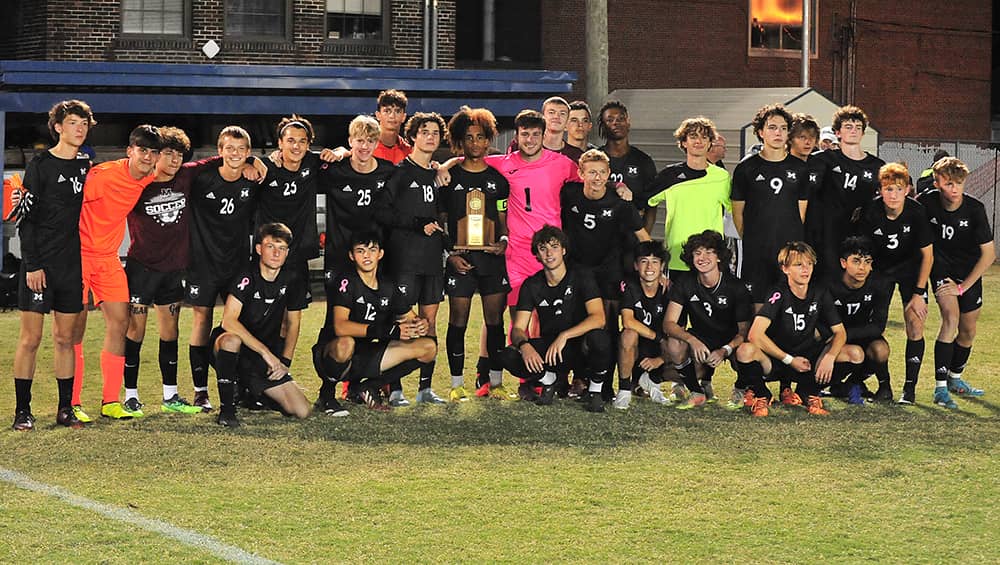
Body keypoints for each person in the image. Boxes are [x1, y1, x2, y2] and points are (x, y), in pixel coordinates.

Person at [123, 127, 258, 415]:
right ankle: (130, 395)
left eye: (179, 155)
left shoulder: (187, 175)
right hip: (141, 268)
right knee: (136, 330)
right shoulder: (137, 183)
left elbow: (220, 159)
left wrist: (253, 161)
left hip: (173, 269)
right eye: (168, 154)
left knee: (170, 331)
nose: (174, 160)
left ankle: (170, 395)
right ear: (156, 155)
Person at [10, 100, 94, 430]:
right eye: (73, 122)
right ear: (58, 127)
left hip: (71, 267)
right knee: (30, 340)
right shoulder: (41, 165)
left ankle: (64, 409)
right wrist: (32, 265)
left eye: (84, 124)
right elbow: (25, 221)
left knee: (65, 339)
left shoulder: (88, 167)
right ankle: (22, 411)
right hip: (39, 266)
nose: (79, 128)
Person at [75, 124, 161, 420]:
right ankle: (72, 402)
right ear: (129, 151)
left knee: (120, 321)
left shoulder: (149, 176)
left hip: (108, 258)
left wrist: (254, 161)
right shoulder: (102, 176)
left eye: (153, 152)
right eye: (142, 150)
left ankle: (110, 401)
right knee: (76, 327)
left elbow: (187, 168)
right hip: (79, 256)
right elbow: (69, 205)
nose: (148, 157)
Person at [312, 231, 437, 413]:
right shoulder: (346, 282)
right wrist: (390, 331)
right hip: (332, 353)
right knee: (346, 343)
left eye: (372, 250)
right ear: (352, 256)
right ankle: (326, 394)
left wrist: (420, 323)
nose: (367, 255)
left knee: (428, 347)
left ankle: (368, 387)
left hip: (365, 355)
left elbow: (409, 316)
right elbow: (341, 326)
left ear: (380, 254)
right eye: (360, 251)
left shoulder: (387, 285)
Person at [733, 241, 861, 417]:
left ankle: (809, 391)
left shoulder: (820, 291)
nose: (805, 269)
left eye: (809, 264)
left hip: (808, 359)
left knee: (854, 353)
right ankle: (762, 394)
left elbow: (840, 332)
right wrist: (789, 360)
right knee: (745, 350)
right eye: (798, 265)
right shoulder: (778, 293)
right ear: (785, 269)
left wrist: (830, 357)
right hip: (779, 359)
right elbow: (755, 334)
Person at [561, 149, 649, 397]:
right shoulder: (569, 195)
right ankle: (577, 379)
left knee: (608, 330)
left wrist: (654, 266)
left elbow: (642, 236)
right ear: (581, 173)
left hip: (610, 273)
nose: (597, 177)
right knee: (577, 324)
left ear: (609, 174)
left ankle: (605, 385)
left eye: (602, 172)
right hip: (578, 272)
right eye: (591, 172)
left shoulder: (620, 202)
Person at [374, 111, 449, 405]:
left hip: (431, 262)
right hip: (404, 259)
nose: (430, 137)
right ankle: (394, 389)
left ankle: (425, 389)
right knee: (404, 324)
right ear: (413, 136)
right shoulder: (399, 173)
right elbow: (382, 212)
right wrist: (416, 222)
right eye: (424, 132)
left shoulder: (437, 174)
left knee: (429, 323)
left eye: (435, 133)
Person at [439, 106, 513, 401]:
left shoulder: (499, 180)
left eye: (480, 137)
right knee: (458, 321)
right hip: (460, 259)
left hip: (492, 260)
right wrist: (449, 255)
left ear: (488, 140)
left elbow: (504, 223)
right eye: (468, 138)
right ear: (460, 141)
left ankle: (496, 383)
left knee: (495, 321)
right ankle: (457, 385)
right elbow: (442, 222)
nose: (474, 143)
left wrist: (504, 242)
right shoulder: (448, 178)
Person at [498, 225, 613, 413]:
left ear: (564, 250)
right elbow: (518, 328)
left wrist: (565, 335)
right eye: (543, 248)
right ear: (537, 254)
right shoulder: (531, 284)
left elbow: (599, 318)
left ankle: (595, 391)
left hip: (581, 349)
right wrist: (524, 346)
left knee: (600, 339)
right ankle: (548, 380)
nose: (549, 253)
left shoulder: (582, 275)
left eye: (554, 247)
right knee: (508, 355)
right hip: (553, 351)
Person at [187, 126, 261, 411]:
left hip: (237, 265)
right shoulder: (201, 178)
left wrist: (257, 163)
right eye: (229, 148)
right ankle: (200, 391)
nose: (235, 154)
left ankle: (242, 387)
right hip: (203, 263)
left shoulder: (252, 180)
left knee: (241, 323)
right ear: (220, 151)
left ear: (248, 153)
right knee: (202, 322)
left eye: (242, 150)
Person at [211, 223, 311, 428]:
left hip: (260, 359)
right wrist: (266, 352)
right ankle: (227, 409)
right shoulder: (246, 276)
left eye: (281, 248)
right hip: (232, 350)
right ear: (258, 249)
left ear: (287, 252)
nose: (276, 253)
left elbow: (293, 322)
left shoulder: (293, 279)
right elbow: (228, 321)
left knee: (302, 410)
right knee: (231, 340)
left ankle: (252, 393)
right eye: (270, 246)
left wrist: (284, 362)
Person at [919, 157, 994, 408]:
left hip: (969, 274)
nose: (954, 189)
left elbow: (989, 255)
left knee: (968, 331)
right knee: (950, 318)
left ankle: (955, 378)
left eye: (959, 183)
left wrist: (964, 286)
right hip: (941, 271)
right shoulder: (927, 201)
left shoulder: (975, 209)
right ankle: (940, 389)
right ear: (938, 182)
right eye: (949, 183)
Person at [856, 162, 933, 404]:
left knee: (915, 323)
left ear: (908, 189)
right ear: (880, 190)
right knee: (875, 327)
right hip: (880, 273)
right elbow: (863, 251)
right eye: (889, 189)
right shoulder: (871, 211)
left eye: (899, 189)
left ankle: (909, 390)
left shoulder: (917, 212)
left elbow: (928, 256)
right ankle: (883, 386)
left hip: (911, 273)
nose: (894, 195)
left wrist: (919, 292)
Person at [664, 230, 752, 410]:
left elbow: (744, 331)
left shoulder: (735, 286)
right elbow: (669, 323)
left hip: (730, 340)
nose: (702, 258)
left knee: (746, 350)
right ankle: (697, 392)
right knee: (674, 343)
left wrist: (724, 350)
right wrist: (692, 340)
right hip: (701, 339)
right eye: (697, 253)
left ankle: (741, 388)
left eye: (708, 252)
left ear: (719, 257)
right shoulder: (685, 282)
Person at [730, 104, 809, 306]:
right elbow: (738, 214)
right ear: (760, 132)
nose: (778, 133)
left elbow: (801, 213)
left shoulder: (800, 168)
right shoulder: (746, 168)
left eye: (783, 128)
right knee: (757, 307)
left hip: (789, 251)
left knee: (788, 305)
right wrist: (755, 239)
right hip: (757, 250)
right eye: (772, 127)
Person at [645, 117, 731, 278]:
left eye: (704, 137)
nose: (699, 141)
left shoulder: (722, 177)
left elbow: (736, 210)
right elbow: (645, 201)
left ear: (710, 143)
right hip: (677, 258)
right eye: (693, 136)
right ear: (683, 142)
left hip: (710, 261)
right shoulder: (669, 175)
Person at [807, 106, 885, 275]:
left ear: (863, 133)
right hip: (826, 235)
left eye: (858, 127)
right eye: (848, 127)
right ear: (838, 133)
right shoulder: (823, 160)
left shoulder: (877, 166)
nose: (854, 131)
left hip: (860, 236)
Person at [318, 115, 396, 277]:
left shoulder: (389, 172)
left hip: (373, 254)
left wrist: (445, 166)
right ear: (350, 141)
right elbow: (298, 161)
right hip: (339, 254)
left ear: (376, 143)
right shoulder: (334, 169)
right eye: (360, 140)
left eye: (370, 141)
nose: (365, 146)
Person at [258, 115, 322, 301]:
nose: (296, 146)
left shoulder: (312, 163)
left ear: (308, 144)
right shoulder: (265, 167)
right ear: (280, 143)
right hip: (269, 253)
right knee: (263, 313)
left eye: (302, 141)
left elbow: (345, 152)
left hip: (298, 253)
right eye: (290, 140)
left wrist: (340, 151)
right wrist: (252, 161)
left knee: (294, 314)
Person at [825, 236, 893, 404]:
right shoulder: (829, 284)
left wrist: (846, 334)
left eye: (867, 262)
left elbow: (878, 326)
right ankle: (832, 383)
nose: (862, 267)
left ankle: (883, 387)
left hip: (859, 336)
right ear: (843, 263)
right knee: (854, 352)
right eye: (856, 261)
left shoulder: (880, 284)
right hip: (832, 339)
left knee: (880, 349)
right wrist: (836, 337)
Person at [615, 241, 671, 409]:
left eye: (655, 262)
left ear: (662, 266)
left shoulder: (670, 289)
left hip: (662, 350)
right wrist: (658, 338)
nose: (649, 267)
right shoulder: (630, 286)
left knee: (682, 345)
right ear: (635, 265)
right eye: (644, 261)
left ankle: (654, 383)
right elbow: (628, 321)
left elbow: (677, 328)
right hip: (639, 347)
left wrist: (661, 359)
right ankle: (624, 390)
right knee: (628, 333)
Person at [598, 100, 659, 232]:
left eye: (621, 118)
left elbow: (652, 205)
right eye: (610, 119)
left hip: (632, 237)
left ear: (628, 122)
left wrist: (645, 240)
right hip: (601, 234)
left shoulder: (643, 161)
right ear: (603, 125)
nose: (616, 123)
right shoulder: (595, 159)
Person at [373, 89, 411, 164]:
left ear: (404, 117)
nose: (392, 116)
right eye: (387, 111)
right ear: (378, 115)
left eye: (397, 111)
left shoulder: (409, 152)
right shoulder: (365, 149)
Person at [541, 96, 583, 162]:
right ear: (543, 118)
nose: (556, 116)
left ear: (567, 122)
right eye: (551, 112)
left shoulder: (577, 156)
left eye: (562, 113)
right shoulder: (529, 150)